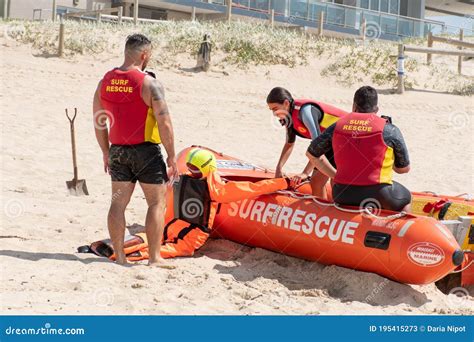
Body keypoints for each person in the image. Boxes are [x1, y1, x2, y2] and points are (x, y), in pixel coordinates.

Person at [93, 34, 178, 266]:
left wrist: (105, 151)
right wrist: (171, 156)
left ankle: (120, 256)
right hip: (146, 152)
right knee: (156, 203)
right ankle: (154, 258)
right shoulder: (150, 83)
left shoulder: (104, 82)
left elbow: (99, 120)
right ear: (144, 55)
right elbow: (165, 122)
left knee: (118, 203)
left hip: (118, 151)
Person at [159, 148, 291, 258]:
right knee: (165, 249)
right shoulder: (215, 190)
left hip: (169, 226)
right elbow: (252, 188)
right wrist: (284, 182)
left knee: (149, 240)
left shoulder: (179, 179)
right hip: (192, 235)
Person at [306, 86, 411, 212]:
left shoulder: (337, 126)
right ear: (376, 109)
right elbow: (403, 169)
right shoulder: (389, 129)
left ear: (354, 106)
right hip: (379, 193)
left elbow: (311, 154)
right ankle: (401, 228)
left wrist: (335, 175)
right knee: (406, 198)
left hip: (342, 193)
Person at [266, 87, 348, 199]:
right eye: (272, 110)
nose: (274, 114)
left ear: (286, 103)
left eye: (275, 109)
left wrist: (305, 173)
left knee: (326, 182)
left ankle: (338, 212)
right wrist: (279, 168)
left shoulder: (305, 112)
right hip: (331, 143)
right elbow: (289, 144)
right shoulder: (288, 117)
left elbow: (317, 149)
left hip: (346, 139)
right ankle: (324, 210)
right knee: (317, 182)